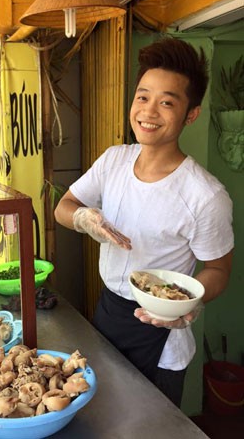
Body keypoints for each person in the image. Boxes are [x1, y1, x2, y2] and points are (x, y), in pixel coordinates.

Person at [54, 37, 234, 407]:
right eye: (142, 96)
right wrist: (85, 218)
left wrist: (189, 303)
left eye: (167, 102)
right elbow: (64, 206)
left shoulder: (205, 195)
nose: (149, 111)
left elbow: (218, 268)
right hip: (107, 313)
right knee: (101, 416)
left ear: (191, 114)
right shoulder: (114, 160)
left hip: (161, 333)